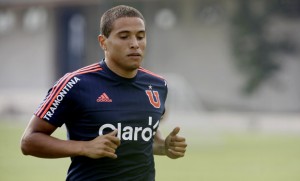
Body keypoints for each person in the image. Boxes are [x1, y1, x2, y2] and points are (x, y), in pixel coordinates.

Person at [21, 5, 187, 181]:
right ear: (103, 42)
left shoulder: (158, 85)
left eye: (140, 36)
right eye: (124, 36)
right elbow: (29, 141)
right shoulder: (76, 83)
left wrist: (162, 146)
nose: (135, 44)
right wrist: (85, 147)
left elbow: (142, 137)